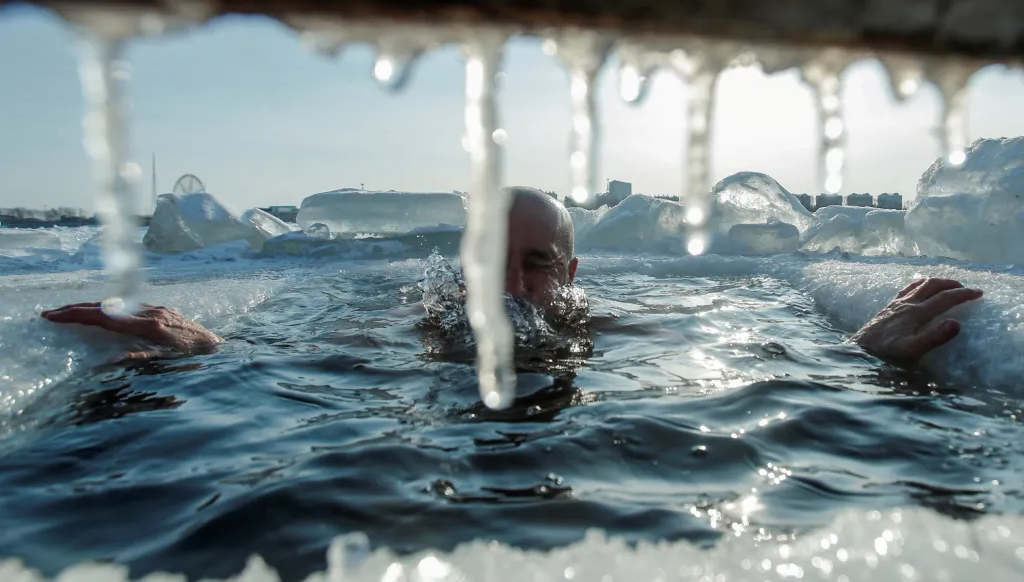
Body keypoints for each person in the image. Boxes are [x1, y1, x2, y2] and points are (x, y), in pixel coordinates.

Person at [40, 187, 983, 365]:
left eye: (537, 264)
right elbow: (307, 352)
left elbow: (741, 353)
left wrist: (863, 351)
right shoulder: (424, 330)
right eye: (491, 264)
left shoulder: (597, 329)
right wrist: (204, 343)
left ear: (568, 268)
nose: (515, 290)